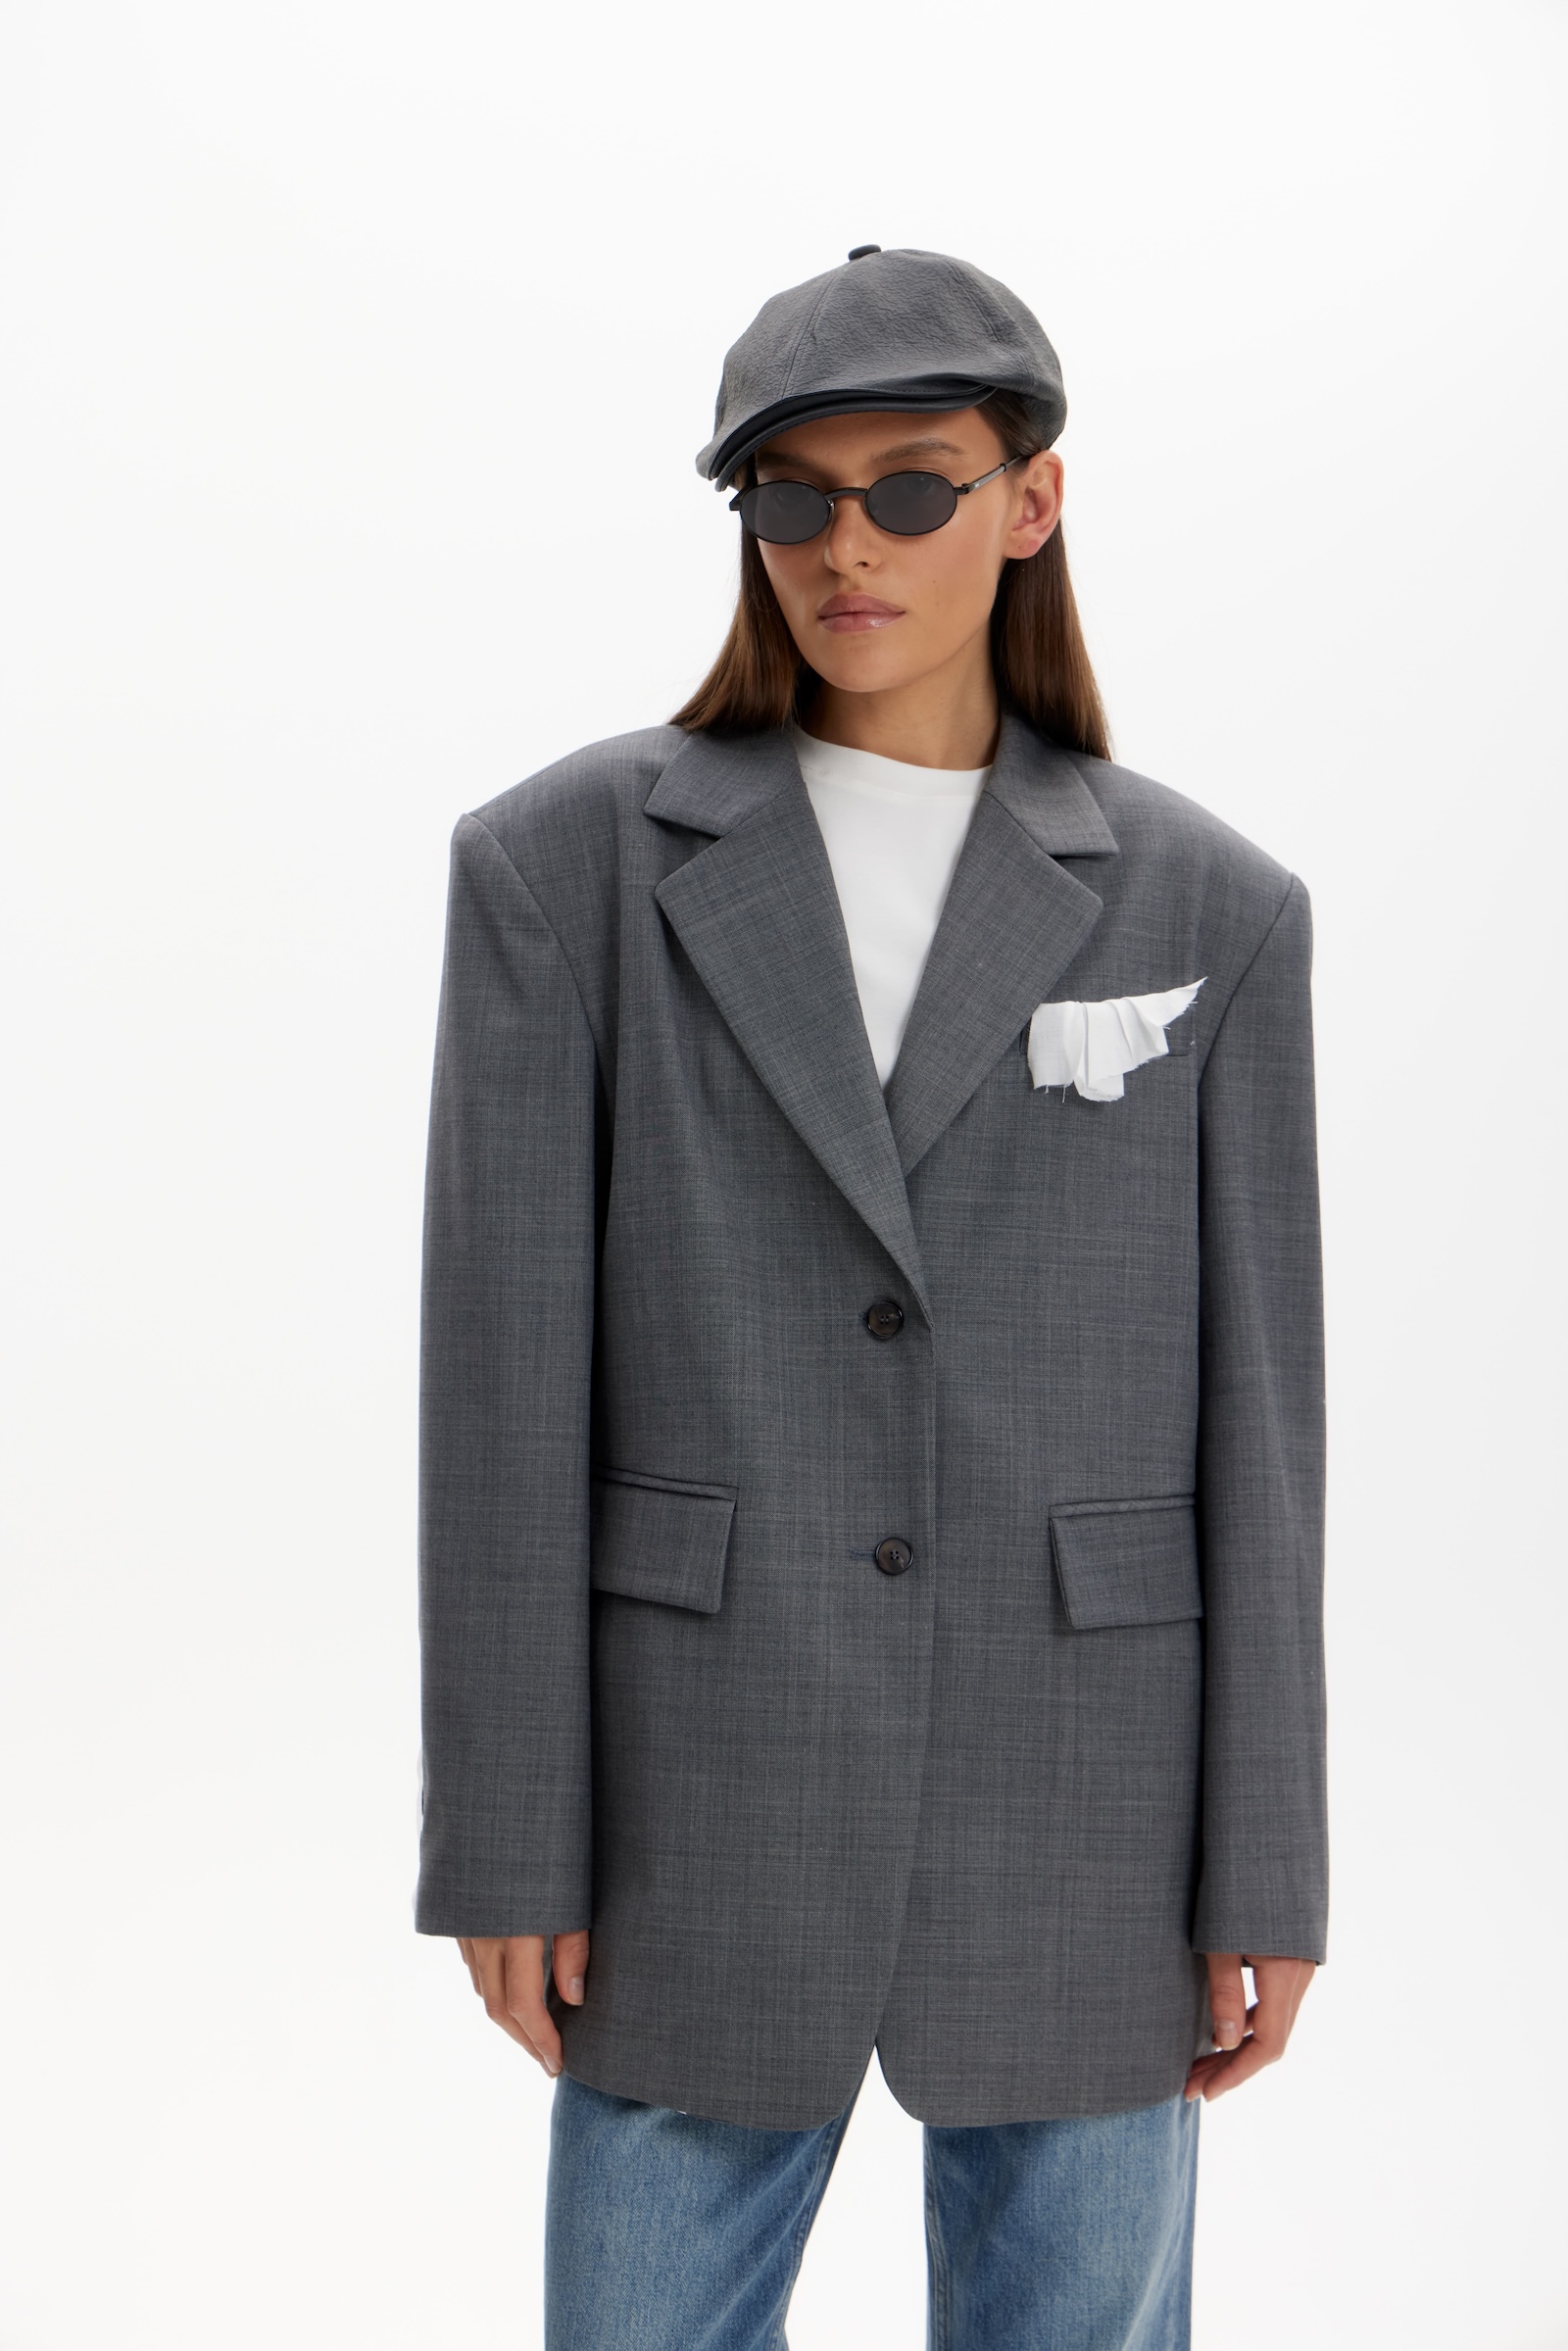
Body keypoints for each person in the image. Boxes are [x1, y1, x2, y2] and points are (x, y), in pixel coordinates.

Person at [416, 246, 1326, 2350]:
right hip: (697, 1788)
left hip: (1090, 1793)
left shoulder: (1213, 906)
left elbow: (1260, 1424)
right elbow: (501, 1394)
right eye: (791, 499)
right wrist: (507, 1840)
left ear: (1030, 501)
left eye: (911, 490)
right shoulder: (563, 870)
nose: (849, 548)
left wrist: (1263, 1865)